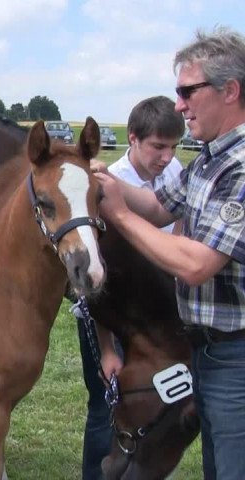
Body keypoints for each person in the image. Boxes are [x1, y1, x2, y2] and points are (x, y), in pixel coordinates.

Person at [94, 26, 245, 480]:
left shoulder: (239, 167)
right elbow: (159, 208)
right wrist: (98, 179)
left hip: (236, 357)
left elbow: (197, 264)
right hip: (206, 351)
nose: (178, 104)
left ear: (230, 90)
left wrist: (119, 216)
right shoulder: (208, 159)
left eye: (187, 91)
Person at [75, 95, 185, 480]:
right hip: (112, 313)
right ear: (133, 138)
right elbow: (95, 285)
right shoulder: (107, 187)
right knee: (106, 404)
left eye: (173, 147)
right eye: (158, 146)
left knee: (154, 403)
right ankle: (96, 473)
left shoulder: (174, 177)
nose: (167, 157)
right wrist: (106, 348)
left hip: (156, 314)